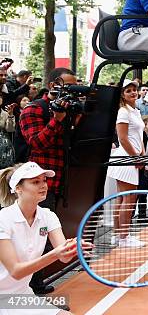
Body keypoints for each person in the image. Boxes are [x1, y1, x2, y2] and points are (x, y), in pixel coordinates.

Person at [0, 162, 92, 315]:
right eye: (35, 182)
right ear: (18, 188)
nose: (43, 185)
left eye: (44, 180)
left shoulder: (48, 216)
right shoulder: (3, 219)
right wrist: (56, 253)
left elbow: (63, 257)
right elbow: (16, 271)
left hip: (21, 296)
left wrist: (72, 247)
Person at [19, 68, 79, 294]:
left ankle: (34, 282)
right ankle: (30, 284)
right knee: (34, 236)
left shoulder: (69, 109)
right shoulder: (33, 109)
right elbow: (36, 143)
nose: (73, 92)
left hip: (57, 182)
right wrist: (57, 120)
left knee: (43, 234)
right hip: (34, 185)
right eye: (69, 86)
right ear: (55, 84)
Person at [104, 80, 146, 248]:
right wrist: (136, 157)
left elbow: (139, 136)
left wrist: (142, 154)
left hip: (132, 157)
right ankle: (123, 237)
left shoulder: (135, 110)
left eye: (134, 89)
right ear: (122, 94)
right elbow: (122, 138)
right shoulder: (123, 111)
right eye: (128, 90)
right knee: (128, 198)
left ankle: (118, 235)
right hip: (126, 158)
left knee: (124, 198)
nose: (133, 92)